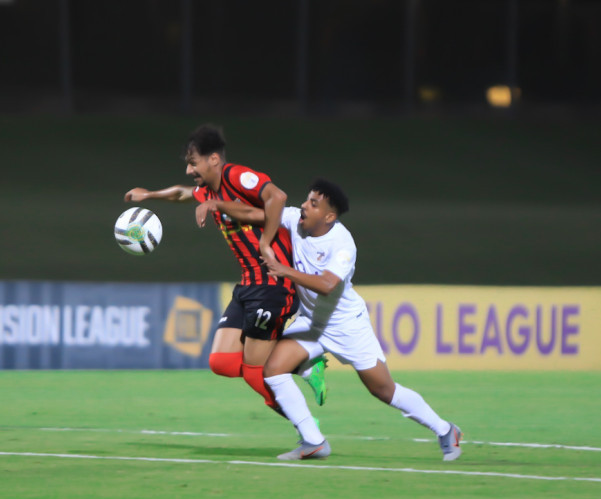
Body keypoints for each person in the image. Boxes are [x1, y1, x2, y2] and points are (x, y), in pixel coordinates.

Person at [256, 178, 462, 461]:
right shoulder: (295, 219)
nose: (304, 205)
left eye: (313, 203)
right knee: (273, 370)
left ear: (329, 216)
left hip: (346, 325)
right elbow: (260, 214)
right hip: (312, 323)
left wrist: (284, 271)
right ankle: (313, 442)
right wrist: (216, 205)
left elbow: (327, 284)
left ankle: (446, 430)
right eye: (307, 199)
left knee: (383, 389)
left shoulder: (342, 243)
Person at [124, 123, 327, 409]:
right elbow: (181, 193)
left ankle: (308, 430)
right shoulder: (206, 191)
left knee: (255, 371)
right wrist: (150, 195)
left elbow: (277, 198)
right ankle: (303, 364)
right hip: (248, 281)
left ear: (214, 160)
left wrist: (265, 241)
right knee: (222, 362)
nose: (189, 170)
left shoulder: (236, 176)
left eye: (193, 164)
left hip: (272, 280)